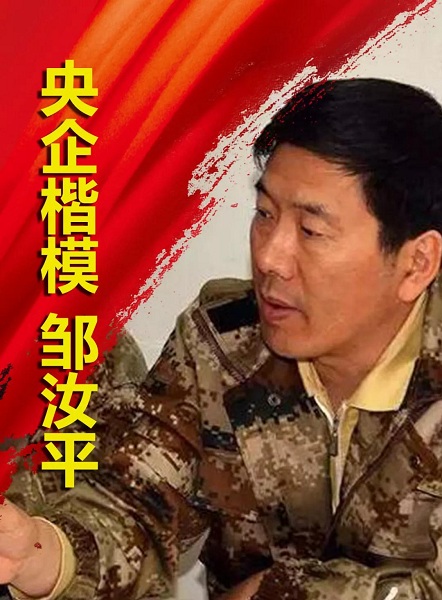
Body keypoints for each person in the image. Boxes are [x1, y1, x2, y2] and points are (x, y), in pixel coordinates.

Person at [2, 77, 442, 600]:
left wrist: (278, 593)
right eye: (265, 215)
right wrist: (38, 554)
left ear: (416, 263)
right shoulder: (222, 342)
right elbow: (134, 505)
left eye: (311, 231)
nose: (269, 257)